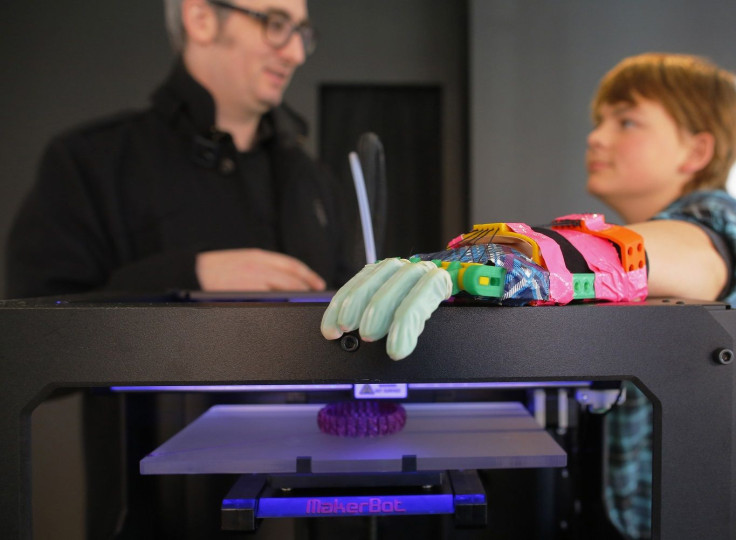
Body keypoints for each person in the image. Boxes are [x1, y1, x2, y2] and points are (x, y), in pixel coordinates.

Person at [322, 52, 736, 539]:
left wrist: (510, 262)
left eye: (626, 121)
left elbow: (697, 253)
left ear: (696, 152)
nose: (596, 137)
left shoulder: (715, 217)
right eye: (598, 121)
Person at [5, 0, 358, 299]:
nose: (296, 53)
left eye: (302, 33)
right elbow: (39, 335)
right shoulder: (87, 164)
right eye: (276, 24)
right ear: (201, 20)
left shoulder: (315, 180)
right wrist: (188, 277)